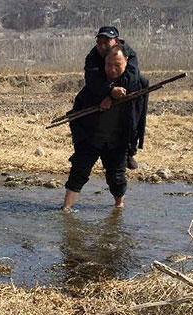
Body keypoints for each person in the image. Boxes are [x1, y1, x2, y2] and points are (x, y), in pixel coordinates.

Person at [62, 44, 146, 212]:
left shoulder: (138, 84)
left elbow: (139, 116)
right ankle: (66, 209)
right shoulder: (94, 85)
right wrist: (104, 97)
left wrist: (133, 144)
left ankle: (118, 208)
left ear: (126, 62)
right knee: (78, 172)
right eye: (109, 65)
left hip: (118, 139)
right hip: (91, 138)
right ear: (103, 63)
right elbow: (76, 114)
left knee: (117, 178)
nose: (113, 69)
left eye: (118, 65)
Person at [82, 26, 147, 169]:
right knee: (83, 97)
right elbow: (92, 79)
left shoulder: (129, 53)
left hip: (126, 90)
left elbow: (132, 77)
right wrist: (109, 91)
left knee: (142, 84)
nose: (102, 46)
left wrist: (112, 96)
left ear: (116, 41)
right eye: (99, 42)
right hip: (101, 90)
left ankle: (130, 150)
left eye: (107, 42)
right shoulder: (93, 56)